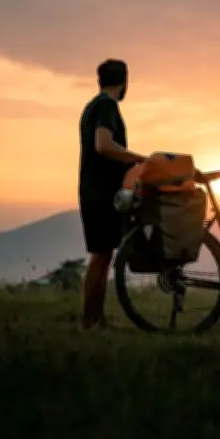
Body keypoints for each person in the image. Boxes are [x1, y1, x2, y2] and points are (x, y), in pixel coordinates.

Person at [78, 59, 148, 329]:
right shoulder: (107, 106)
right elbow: (104, 145)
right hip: (100, 191)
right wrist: (138, 159)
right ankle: (88, 320)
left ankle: (98, 318)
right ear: (124, 81)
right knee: (99, 256)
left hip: (96, 189)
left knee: (103, 255)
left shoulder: (93, 106)